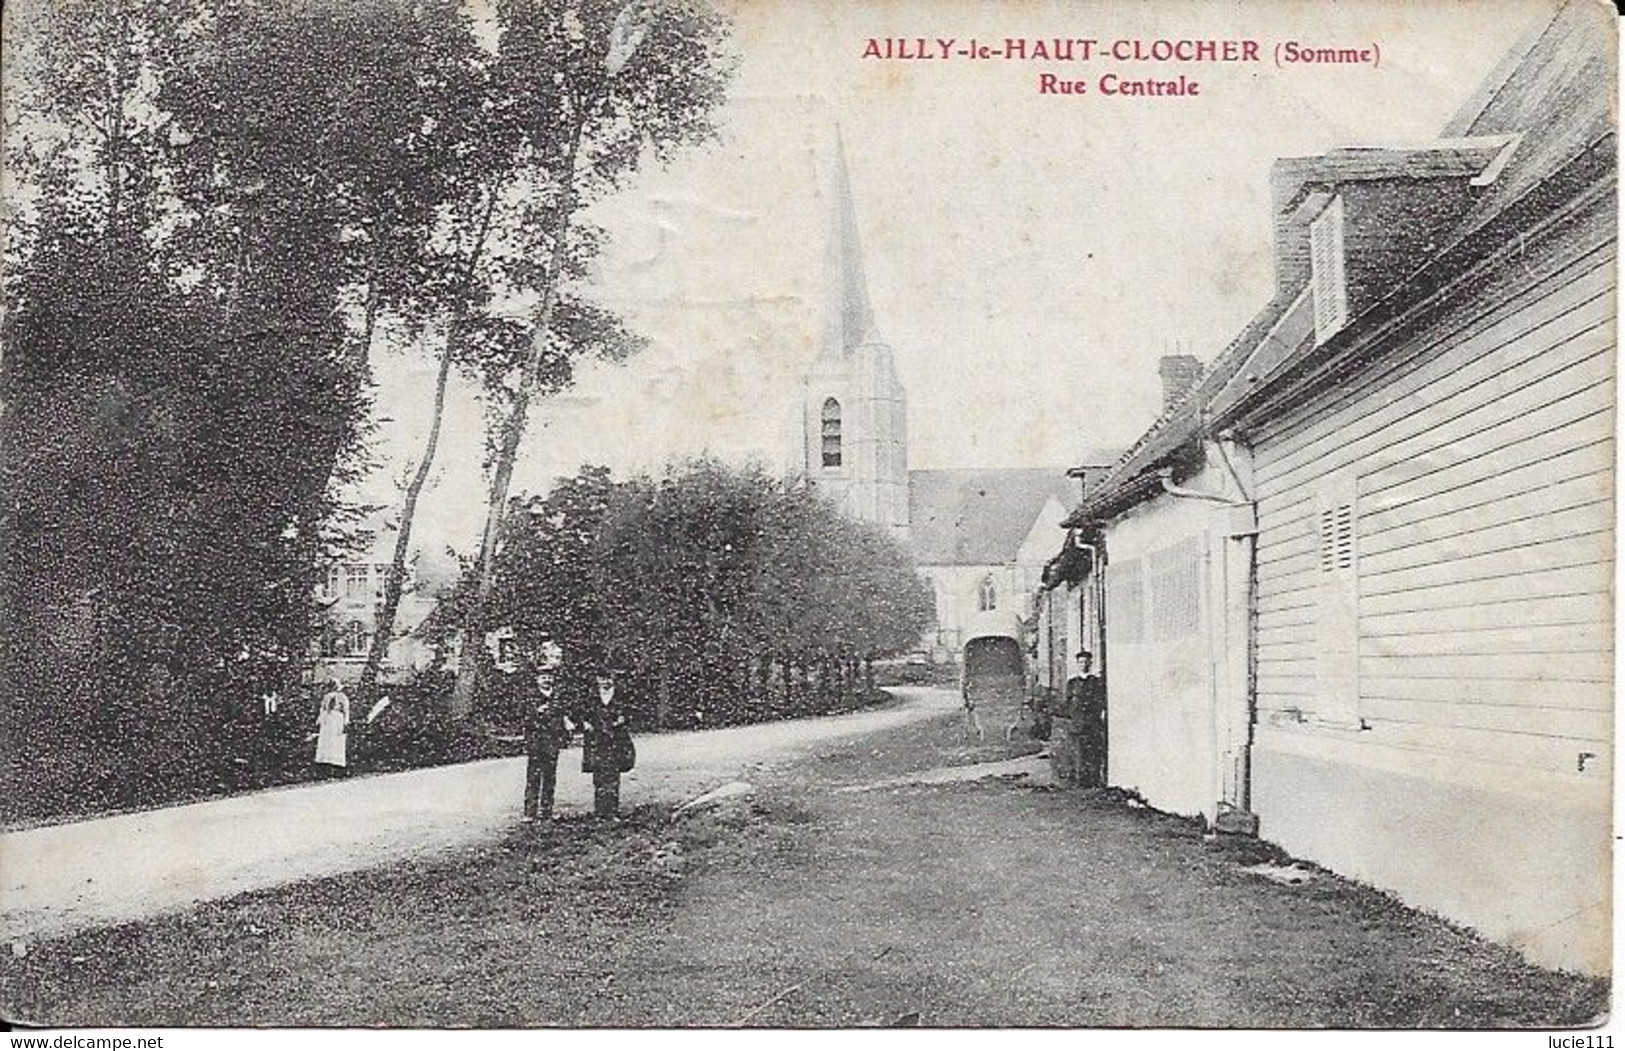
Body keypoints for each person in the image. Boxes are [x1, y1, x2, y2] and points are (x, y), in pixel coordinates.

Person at [578, 667, 634, 819]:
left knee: (613, 775)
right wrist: (585, 724)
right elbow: (581, 714)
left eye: (609, 678)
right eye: (602, 678)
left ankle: (613, 811)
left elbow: (631, 712)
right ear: (597, 680)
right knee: (599, 775)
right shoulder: (591, 697)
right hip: (596, 740)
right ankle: (600, 811)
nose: (606, 681)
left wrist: (624, 720)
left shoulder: (621, 696)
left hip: (616, 739)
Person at [523, 667, 573, 822]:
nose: (546, 679)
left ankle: (546, 810)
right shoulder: (530, 697)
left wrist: (566, 729)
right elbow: (523, 718)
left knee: (550, 776)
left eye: (549, 677)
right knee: (533, 776)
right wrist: (536, 712)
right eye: (543, 677)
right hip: (536, 742)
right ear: (537, 680)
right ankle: (530, 812)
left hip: (552, 741)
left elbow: (565, 716)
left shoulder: (559, 697)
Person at [314, 677, 350, 776]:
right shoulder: (328, 697)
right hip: (332, 719)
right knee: (329, 740)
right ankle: (328, 762)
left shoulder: (340, 697)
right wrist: (320, 721)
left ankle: (333, 763)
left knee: (333, 740)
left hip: (334, 719)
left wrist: (345, 722)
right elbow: (323, 709)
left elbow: (345, 710)